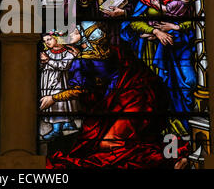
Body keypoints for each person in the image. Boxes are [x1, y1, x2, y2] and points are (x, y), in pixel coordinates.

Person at [40, 24, 190, 169]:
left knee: (108, 144)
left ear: (87, 37)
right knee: (104, 146)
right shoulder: (94, 55)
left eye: (77, 31)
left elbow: (81, 90)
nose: (71, 34)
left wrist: (53, 98)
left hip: (133, 98)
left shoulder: (89, 59)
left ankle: (169, 157)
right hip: (120, 101)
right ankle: (168, 156)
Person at [121, 0, 197, 134]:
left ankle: (178, 127)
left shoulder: (184, 3)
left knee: (184, 85)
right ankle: (154, 128)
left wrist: (173, 29)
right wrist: (155, 31)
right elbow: (133, 23)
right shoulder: (147, 0)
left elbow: (192, 26)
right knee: (152, 88)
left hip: (177, 51)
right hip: (148, 51)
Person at [39, 31, 77, 141]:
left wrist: (48, 60)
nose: (47, 42)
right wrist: (42, 62)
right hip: (46, 82)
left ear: (57, 38)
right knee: (50, 105)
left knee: (60, 105)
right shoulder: (47, 53)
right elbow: (40, 66)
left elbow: (63, 66)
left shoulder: (68, 53)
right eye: (45, 41)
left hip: (61, 82)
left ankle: (57, 130)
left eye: (49, 39)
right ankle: (67, 125)